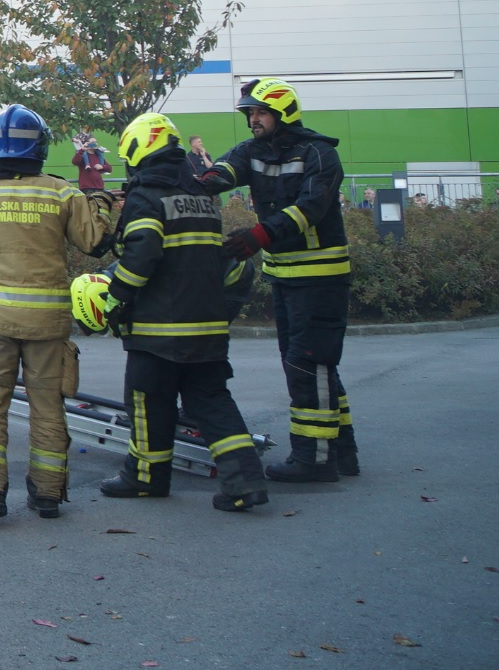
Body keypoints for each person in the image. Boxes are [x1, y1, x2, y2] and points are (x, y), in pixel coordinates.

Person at [85, 112, 268, 512]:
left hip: (159, 328)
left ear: (139, 150)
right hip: (207, 324)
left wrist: (116, 298)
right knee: (212, 402)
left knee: (148, 400)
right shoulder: (201, 193)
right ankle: (246, 482)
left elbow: (143, 254)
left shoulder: (146, 195)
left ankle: (146, 478)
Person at [0, 104, 111, 523]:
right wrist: (104, 203)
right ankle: (48, 495)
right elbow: (94, 243)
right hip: (49, 325)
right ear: (39, 146)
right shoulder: (62, 193)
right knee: (48, 407)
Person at [194, 78, 357, 483]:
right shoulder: (254, 151)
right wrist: (188, 184)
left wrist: (260, 236)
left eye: (260, 112)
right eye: (249, 113)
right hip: (285, 278)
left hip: (321, 277)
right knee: (313, 366)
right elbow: (223, 172)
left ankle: (314, 461)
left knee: (308, 365)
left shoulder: (320, 154)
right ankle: (342, 451)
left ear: (283, 114)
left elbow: (311, 208)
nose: (253, 119)